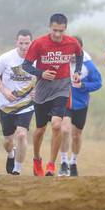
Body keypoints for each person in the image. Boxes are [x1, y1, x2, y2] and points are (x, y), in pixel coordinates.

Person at [22, 14, 83, 176]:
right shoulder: (39, 43)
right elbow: (26, 65)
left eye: (61, 31)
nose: (57, 34)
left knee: (57, 125)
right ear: (49, 27)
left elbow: (79, 54)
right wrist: (41, 73)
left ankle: (51, 164)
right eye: (55, 30)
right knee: (40, 129)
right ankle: (37, 159)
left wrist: (76, 71)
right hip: (43, 89)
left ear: (65, 28)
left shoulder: (72, 42)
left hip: (62, 87)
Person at [0, 29, 36, 175]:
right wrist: (4, 91)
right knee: (8, 141)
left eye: (27, 43)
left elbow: (45, 77)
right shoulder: (6, 58)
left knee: (22, 134)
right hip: (6, 105)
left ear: (32, 42)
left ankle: (17, 168)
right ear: (16, 42)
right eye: (21, 43)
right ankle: (11, 154)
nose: (24, 46)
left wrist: (39, 90)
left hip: (27, 104)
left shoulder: (37, 59)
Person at [58, 36, 102, 177]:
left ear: (80, 50)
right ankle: (63, 162)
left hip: (81, 103)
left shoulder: (87, 64)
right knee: (64, 130)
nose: (71, 55)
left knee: (76, 135)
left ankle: (73, 162)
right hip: (64, 102)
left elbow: (98, 83)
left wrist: (83, 85)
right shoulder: (60, 59)